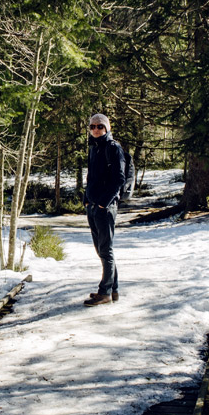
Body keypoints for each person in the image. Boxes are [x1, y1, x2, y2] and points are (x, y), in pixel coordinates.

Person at [83, 113, 125, 306]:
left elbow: (119, 180)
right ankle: (112, 289)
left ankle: (105, 292)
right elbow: (91, 176)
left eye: (99, 126)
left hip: (105, 207)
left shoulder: (113, 148)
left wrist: (103, 203)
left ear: (106, 128)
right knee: (101, 249)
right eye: (92, 127)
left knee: (106, 250)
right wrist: (87, 199)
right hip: (92, 206)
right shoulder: (94, 148)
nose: (96, 130)